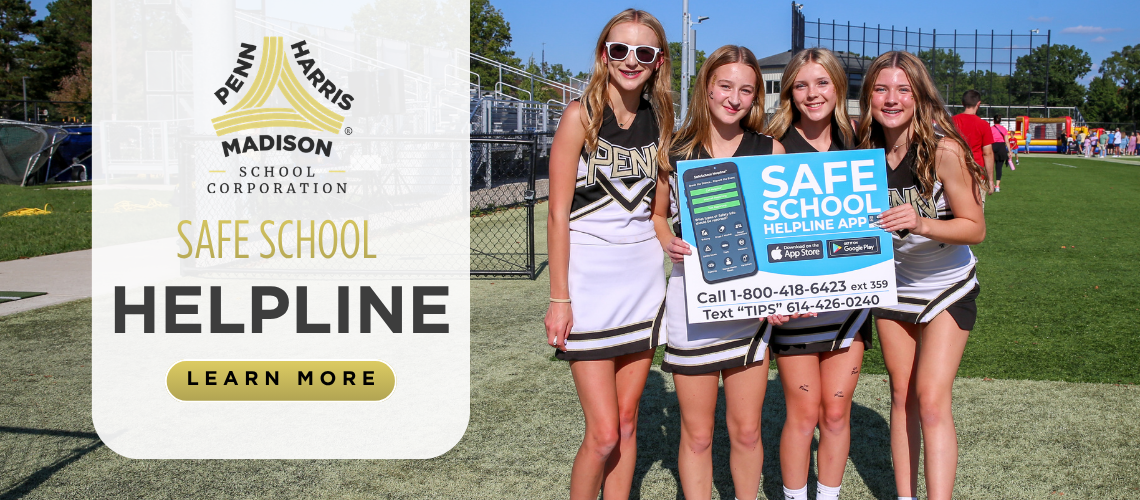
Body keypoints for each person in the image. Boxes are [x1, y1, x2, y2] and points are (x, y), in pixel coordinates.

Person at [543, 9, 673, 499]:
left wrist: (675, 244)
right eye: (619, 50)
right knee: (601, 432)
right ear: (604, 55)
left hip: (642, 279)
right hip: (589, 283)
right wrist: (560, 298)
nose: (630, 60)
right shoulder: (579, 116)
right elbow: (558, 215)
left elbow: (658, 211)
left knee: (626, 421)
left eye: (643, 52)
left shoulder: (662, 120)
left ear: (658, 61)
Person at [653, 44, 785, 500]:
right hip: (692, 303)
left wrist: (781, 298)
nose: (734, 98)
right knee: (698, 434)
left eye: (746, 90)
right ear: (707, 87)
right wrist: (664, 238)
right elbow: (657, 215)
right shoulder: (677, 149)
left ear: (755, 98)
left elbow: (779, 231)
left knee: (747, 432)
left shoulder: (770, 148)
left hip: (749, 307)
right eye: (725, 86)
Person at [857, 51, 987, 500]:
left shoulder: (944, 148)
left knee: (931, 399)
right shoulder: (861, 149)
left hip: (945, 286)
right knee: (902, 396)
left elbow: (975, 227)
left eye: (902, 90)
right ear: (868, 95)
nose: (891, 99)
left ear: (919, 94)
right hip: (891, 287)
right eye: (881, 88)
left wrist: (921, 222)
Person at [761, 47, 870, 500]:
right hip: (795, 307)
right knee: (803, 413)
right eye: (801, 84)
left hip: (849, 304)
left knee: (836, 414)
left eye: (822, 82)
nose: (812, 93)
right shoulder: (772, 144)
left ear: (838, 87)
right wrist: (766, 295)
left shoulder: (862, 143)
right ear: (789, 91)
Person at [951, 91, 994, 194]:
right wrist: (991, 180)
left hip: (953, 173)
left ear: (963, 103)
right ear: (978, 104)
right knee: (976, 208)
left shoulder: (950, 122)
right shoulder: (983, 125)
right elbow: (987, 153)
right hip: (976, 174)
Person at [990, 116, 1010, 192]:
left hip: (993, 146)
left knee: (990, 167)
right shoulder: (1004, 129)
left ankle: (990, 183)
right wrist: (1010, 151)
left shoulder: (991, 129)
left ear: (993, 120)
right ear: (1000, 121)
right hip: (1001, 148)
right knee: (999, 168)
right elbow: (1007, 141)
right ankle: (997, 186)